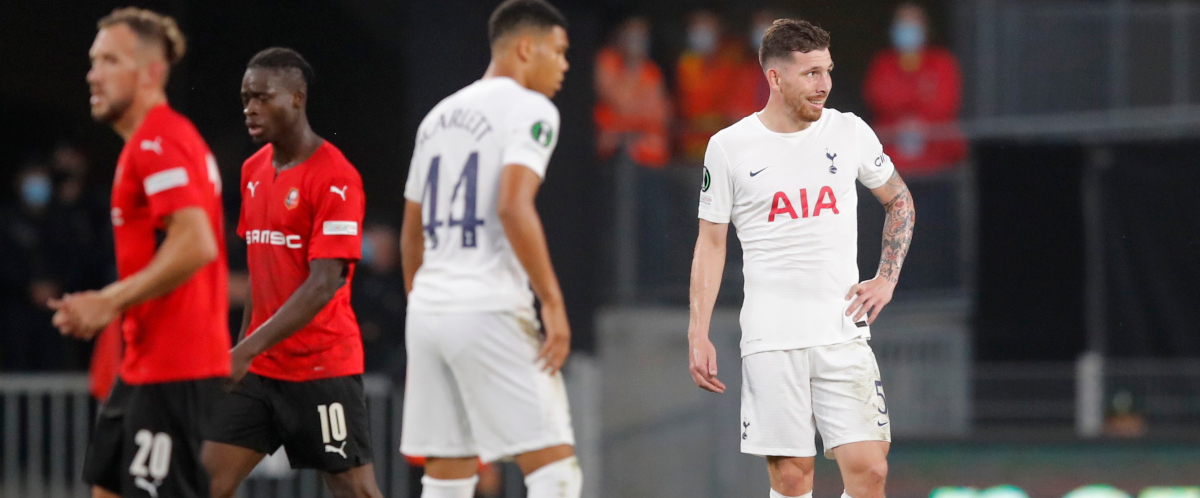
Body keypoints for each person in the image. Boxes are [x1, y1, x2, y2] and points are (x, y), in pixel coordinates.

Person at [686, 19, 916, 498]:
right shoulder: (728, 147)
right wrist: (698, 331)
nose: (824, 84)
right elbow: (711, 243)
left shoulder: (848, 131)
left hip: (841, 330)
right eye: (811, 73)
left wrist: (886, 278)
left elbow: (899, 200)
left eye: (827, 70)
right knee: (792, 478)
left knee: (871, 470)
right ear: (775, 77)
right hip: (772, 338)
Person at [398, 1, 581, 497]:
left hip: (429, 311)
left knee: (447, 474)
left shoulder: (436, 118)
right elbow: (513, 206)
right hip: (488, 305)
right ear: (525, 48)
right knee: (555, 469)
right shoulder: (532, 109)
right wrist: (552, 301)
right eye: (557, 51)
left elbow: (412, 233)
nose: (564, 65)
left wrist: (424, 303)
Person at [53, 8, 231, 497]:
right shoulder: (153, 142)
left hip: (175, 368)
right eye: (94, 61)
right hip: (144, 364)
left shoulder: (159, 140)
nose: (93, 74)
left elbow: (195, 241)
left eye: (110, 61)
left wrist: (108, 301)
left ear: (152, 73)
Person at [200, 48, 382, 498]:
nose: (250, 108)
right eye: (246, 98)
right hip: (262, 367)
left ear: (297, 98)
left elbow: (324, 283)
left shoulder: (336, 177)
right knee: (202, 483)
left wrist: (244, 351)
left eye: (262, 97)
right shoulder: (252, 170)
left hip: (320, 367)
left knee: (355, 491)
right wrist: (244, 349)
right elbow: (260, 273)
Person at [863, 2, 966, 175]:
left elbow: (945, 104)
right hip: (890, 160)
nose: (907, 28)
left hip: (939, 159)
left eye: (913, 23)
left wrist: (908, 105)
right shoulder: (882, 63)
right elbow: (879, 99)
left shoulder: (942, 62)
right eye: (902, 23)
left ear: (925, 27)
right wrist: (919, 97)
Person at [593, 16, 670, 168]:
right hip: (611, 147)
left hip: (644, 150)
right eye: (632, 36)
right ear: (621, 38)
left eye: (641, 37)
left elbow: (659, 114)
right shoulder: (608, 61)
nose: (636, 42)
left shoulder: (651, 71)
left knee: (655, 145)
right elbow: (620, 101)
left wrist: (634, 121)